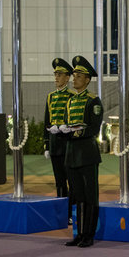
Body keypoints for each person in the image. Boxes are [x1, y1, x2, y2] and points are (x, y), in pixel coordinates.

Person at [62, 55, 103, 248]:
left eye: (78, 75)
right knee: (78, 196)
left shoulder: (93, 101)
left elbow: (93, 129)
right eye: (74, 75)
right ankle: (79, 233)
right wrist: (61, 130)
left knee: (89, 196)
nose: (74, 78)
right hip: (72, 154)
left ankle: (89, 234)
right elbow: (66, 123)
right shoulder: (70, 101)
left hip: (87, 154)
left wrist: (73, 132)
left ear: (87, 79)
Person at [44, 58, 76, 223]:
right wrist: (47, 144)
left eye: (60, 74)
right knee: (59, 182)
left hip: (68, 143)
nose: (56, 77)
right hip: (55, 143)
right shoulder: (50, 97)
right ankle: (62, 213)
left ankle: (71, 212)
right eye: (55, 74)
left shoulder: (72, 96)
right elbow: (47, 121)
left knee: (71, 180)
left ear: (68, 77)